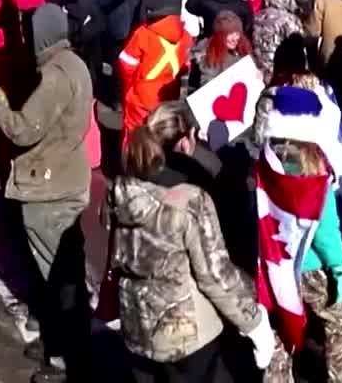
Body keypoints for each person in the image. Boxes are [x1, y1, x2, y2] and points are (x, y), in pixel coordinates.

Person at [109, 115, 275, 382]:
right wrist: (253, 322)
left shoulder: (118, 195)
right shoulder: (189, 200)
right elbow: (214, 275)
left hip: (136, 326)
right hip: (186, 334)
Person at [0, 4, 94, 383]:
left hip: (49, 185)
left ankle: (69, 358)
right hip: (65, 174)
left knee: (59, 276)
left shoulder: (53, 74)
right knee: (62, 270)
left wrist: (1, 98)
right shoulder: (73, 63)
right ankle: (59, 342)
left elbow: (23, 129)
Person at [261, 86, 342, 382]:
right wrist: (340, 267)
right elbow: (325, 231)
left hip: (276, 263)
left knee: (280, 329)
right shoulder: (313, 175)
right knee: (339, 327)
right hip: (314, 268)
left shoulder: (265, 166)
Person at [119, 0, 193, 142]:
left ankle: (134, 165)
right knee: (162, 138)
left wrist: (130, 90)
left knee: (136, 139)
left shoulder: (142, 34)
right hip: (168, 99)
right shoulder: (186, 37)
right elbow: (186, 69)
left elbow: (126, 66)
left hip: (141, 99)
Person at [190, 10, 253, 90]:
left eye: (237, 33)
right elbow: (208, 87)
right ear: (220, 35)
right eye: (230, 34)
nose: (235, 38)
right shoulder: (209, 54)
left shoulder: (243, 49)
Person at [252, 0, 303, 76]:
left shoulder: (257, 17)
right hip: (282, 73)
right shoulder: (288, 20)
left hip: (260, 68)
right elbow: (298, 51)